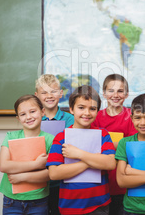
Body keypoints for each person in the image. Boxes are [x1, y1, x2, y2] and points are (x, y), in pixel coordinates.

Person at [46, 85, 116, 215]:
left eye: (92, 109)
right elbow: (54, 174)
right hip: (70, 206)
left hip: (99, 206)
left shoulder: (103, 134)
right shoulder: (61, 137)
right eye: (81, 107)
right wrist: (93, 160)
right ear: (71, 109)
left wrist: (78, 154)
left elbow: (110, 163)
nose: (87, 113)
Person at [0, 95, 54, 215]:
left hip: (38, 200)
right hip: (11, 200)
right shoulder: (10, 136)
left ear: (42, 111)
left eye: (32, 111)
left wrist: (21, 177)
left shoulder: (51, 140)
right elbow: (4, 166)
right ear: (18, 118)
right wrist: (36, 164)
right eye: (23, 114)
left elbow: (51, 173)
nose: (28, 117)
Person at [93, 74, 137, 215]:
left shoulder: (132, 116)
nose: (115, 95)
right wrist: (120, 143)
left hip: (125, 180)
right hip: (101, 181)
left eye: (120, 91)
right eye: (111, 90)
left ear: (127, 94)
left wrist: (104, 144)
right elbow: (91, 145)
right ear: (104, 93)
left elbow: (133, 145)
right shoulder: (96, 117)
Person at [35, 74, 74, 214]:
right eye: (44, 92)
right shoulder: (34, 119)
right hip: (39, 181)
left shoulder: (71, 119)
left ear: (61, 93)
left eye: (53, 91)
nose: (49, 96)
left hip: (62, 182)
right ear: (36, 95)